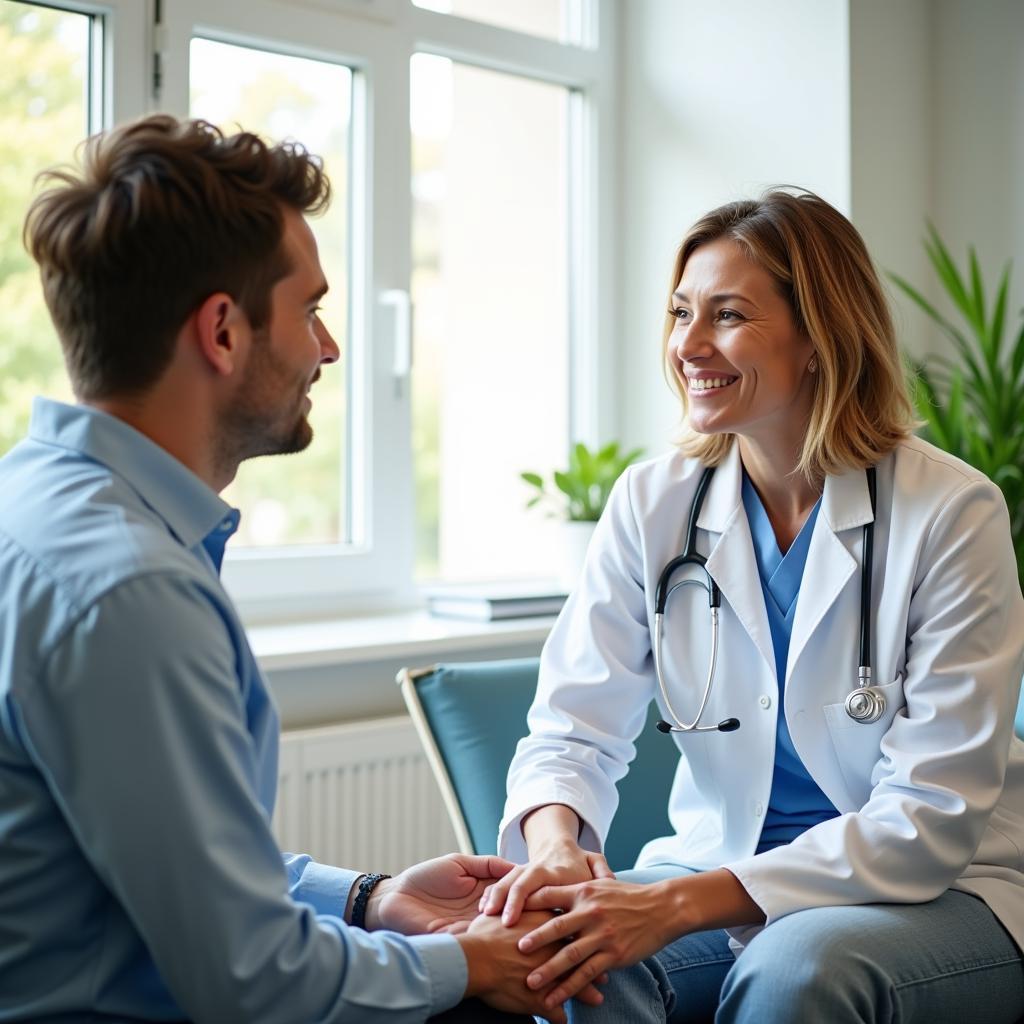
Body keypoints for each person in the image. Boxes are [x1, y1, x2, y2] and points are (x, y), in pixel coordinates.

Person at [0, 114, 602, 1024]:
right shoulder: (133, 594)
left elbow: (159, 860)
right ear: (222, 332)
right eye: (310, 310)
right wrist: (462, 964)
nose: (326, 349)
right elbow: (253, 977)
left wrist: (363, 898)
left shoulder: (38, 508)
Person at [483, 189, 1024, 1022]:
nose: (688, 345)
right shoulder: (652, 503)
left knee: (797, 971)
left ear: (819, 337)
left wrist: (672, 906)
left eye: (727, 316)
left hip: (940, 888)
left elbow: (930, 816)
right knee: (562, 962)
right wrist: (556, 848)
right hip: (709, 866)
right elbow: (571, 729)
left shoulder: (952, 512)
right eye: (679, 313)